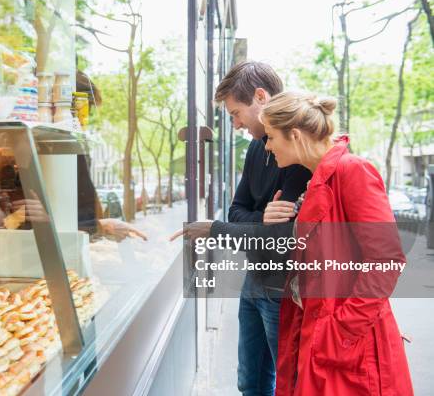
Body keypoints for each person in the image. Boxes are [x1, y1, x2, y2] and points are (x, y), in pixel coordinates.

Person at [171, 61, 311, 396]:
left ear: (260, 97)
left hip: (284, 290)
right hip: (254, 281)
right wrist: (260, 219)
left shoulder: (298, 153)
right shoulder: (254, 148)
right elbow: (237, 210)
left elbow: (279, 237)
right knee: (249, 382)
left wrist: (223, 227)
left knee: (287, 385)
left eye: (236, 113)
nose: (234, 124)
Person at [261, 91, 413, 395]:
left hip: (346, 345)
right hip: (318, 333)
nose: (267, 146)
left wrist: (340, 331)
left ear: (293, 134)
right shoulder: (317, 179)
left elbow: (385, 260)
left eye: (270, 137)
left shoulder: (352, 170)